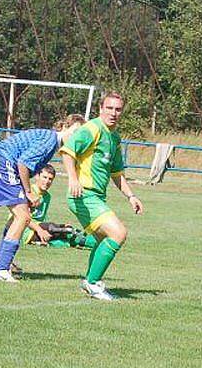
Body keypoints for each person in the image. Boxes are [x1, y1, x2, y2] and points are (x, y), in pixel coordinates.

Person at [0, 114, 85, 282]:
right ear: (65, 127)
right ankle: (1, 268)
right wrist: (29, 192)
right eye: (75, 132)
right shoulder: (50, 140)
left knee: (21, 214)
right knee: (23, 216)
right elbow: (23, 164)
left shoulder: (51, 143)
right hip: (1, 163)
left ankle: (0, 260)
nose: (76, 138)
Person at [61, 92, 143, 301]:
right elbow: (68, 152)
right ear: (100, 109)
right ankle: (93, 283)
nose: (113, 113)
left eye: (118, 109)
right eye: (109, 108)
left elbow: (117, 174)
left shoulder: (114, 138)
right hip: (83, 195)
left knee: (102, 238)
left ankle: (88, 281)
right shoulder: (92, 129)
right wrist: (73, 179)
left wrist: (131, 196)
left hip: (96, 197)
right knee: (119, 233)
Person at [0, 165, 98, 276]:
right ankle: (98, 243)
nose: (47, 181)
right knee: (69, 232)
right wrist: (41, 231)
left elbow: (41, 219)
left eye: (50, 179)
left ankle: (97, 244)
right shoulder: (29, 193)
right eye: (44, 177)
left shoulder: (47, 197)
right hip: (24, 232)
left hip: (38, 229)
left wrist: (58, 226)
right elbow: (22, 218)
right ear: (37, 176)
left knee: (66, 241)